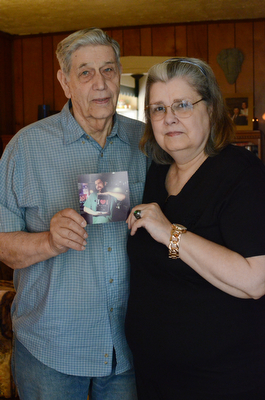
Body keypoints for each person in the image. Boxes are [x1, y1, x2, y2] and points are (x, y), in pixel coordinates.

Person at [0, 28, 150, 400]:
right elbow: (2, 246)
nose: (100, 84)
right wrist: (49, 241)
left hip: (130, 347)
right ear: (64, 82)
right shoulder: (25, 148)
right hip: (52, 348)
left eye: (109, 70)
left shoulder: (146, 142)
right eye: (85, 73)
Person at [125, 57, 265, 399]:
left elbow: (255, 281)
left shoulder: (243, 174)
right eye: (157, 108)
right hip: (153, 374)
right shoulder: (156, 172)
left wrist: (170, 232)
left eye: (182, 105)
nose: (168, 117)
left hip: (221, 379)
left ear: (212, 109)